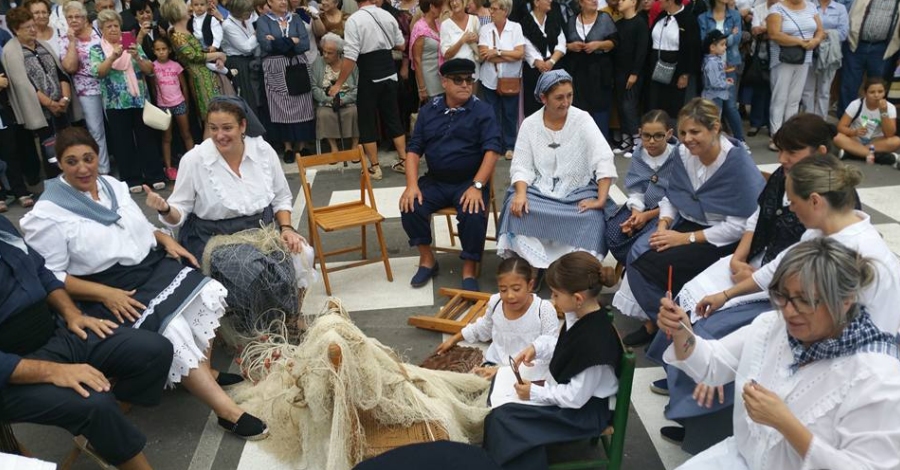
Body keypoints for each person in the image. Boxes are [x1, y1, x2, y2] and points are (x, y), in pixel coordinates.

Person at [20, 127, 270, 441]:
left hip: (148, 267)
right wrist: (105, 293)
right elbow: (51, 275)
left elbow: (140, 226)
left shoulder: (111, 185)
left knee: (208, 292)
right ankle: (227, 413)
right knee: (172, 329)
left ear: (98, 157)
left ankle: (204, 372)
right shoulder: (48, 212)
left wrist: (165, 238)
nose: (82, 168)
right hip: (106, 288)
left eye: (88, 158)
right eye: (72, 162)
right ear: (60, 165)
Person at [648, 114, 849, 453]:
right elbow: (757, 219)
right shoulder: (785, 179)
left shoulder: (831, 211)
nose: (783, 160)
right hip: (756, 262)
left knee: (713, 327)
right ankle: (679, 375)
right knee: (687, 299)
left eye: (792, 152)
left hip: (784, 289)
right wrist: (739, 259)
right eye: (782, 151)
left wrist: (731, 291)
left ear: (821, 152)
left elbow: (794, 264)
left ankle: (700, 423)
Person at [658, 238, 900, 470]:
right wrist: (681, 331)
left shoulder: (877, 377)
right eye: (782, 296)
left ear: (845, 301)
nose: (789, 311)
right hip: (737, 459)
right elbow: (711, 365)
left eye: (804, 300)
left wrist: (786, 424)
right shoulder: (772, 326)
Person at [0, 214, 173, 470]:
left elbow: (41, 272)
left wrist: (72, 314)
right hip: (11, 370)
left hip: (54, 332)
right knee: (95, 405)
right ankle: (111, 435)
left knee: (154, 350)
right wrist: (54, 371)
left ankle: (105, 434)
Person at [143, 99, 312, 338]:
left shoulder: (263, 152)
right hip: (213, 238)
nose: (219, 135)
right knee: (250, 267)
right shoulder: (195, 159)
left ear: (243, 126)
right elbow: (178, 213)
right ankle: (260, 326)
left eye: (227, 128)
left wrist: (286, 228)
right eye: (213, 128)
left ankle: (289, 317)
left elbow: (281, 197)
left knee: (301, 252)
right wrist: (164, 208)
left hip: (260, 232)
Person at [612, 98, 764, 347]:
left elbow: (740, 225)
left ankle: (672, 329)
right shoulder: (683, 153)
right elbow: (673, 196)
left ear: (715, 128)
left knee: (646, 265)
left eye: (695, 131)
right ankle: (660, 323)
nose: (687, 138)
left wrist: (683, 239)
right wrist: (663, 225)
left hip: (722, 237)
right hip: (686, 223)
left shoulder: (737, 164)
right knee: (637, 252)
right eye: (683, 132)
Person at [482, 251, 621, 470]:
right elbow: (564, 344)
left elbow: (575, 398)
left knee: (504, 419)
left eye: (555, 294)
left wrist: (534, 393)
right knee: (500, 412)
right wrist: (536, 348)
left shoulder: (594, 342)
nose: (552, 299)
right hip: (574, 398)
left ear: (577, 298)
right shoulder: (582, 315)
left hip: (585, 412)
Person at [496, 70, 618, 275]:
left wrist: (601, 200)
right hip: (540, 189)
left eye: (569, 95)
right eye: (559, 97)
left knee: (594, 220)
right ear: (543, 98)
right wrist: (521, 194)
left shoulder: (582, 119)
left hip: (577, 189)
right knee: (515, 211)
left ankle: (569, 271)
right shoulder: (530, 124)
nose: (566, 102)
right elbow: (521, 165)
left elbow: (603, 158)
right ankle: (535, 265)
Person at [399, 58, 501, 292]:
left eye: (469, 80)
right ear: (444, 82)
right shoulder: (428, 111)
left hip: (469, 181)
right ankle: (427, 259)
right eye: (458, 80)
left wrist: (477, 185)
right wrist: (412, 185)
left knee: (473, 212)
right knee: (410, 204)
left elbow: (492, 150)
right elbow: (414, 150)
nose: (465, 85)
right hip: (436, 180)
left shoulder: (482, 111)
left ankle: (469, 269)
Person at [434, 256, 558, 378]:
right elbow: (483, 327)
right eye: (503, 290)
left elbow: (550, 348)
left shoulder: (543, 310)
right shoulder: (496, 302)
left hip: (528, 371)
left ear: (530, 285)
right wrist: (454, 339)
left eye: (516, 289)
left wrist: (502, 372)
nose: (510, 295)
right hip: (494, 362)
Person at [328, 0, 407, 180]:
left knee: (367, 121)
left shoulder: (355, 20)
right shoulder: (387, 15)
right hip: (389, 73)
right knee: (393, 117)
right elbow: (401, 44)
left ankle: (375, 167)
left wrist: (339, 83)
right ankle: (404, 160)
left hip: (369, 75)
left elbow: (350, 56)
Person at [89, 9, 165, 193]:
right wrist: (114, 56)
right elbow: (98, 72)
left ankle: (154, 175)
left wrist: (137, 56)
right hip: (116, 103)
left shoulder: (132, 45)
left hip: (139, 99)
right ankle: (131, 179)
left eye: (116, 25)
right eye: (109, 26)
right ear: (102, 29)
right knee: (123, 141)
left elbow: (149, 70)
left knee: (146, 138)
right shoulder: (97, 49)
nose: (114, 29)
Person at [3, 6, 78, 181]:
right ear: (15, 30)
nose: (32, 29)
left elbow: (60, 73)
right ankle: (56, 185)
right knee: (50, 150)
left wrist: (65, 99)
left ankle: (74, 180)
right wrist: (50, 104)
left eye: (33, 25)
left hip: (61, 106)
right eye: (27, 27)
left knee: (69, 145)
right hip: (42, 110)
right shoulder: (11, 51)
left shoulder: (42, 45)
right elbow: (23, 84)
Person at [605, 109, 677, 266]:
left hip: (668, 213)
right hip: (643, 207)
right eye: (646, 135)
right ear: (639, 133)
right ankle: (629, 266)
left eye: (658, 135)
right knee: (614, 231)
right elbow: (636, 190)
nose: (651, 141)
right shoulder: (639, 154)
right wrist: (636, 214)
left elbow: (677, 200)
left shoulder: (678, 157)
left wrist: (646, 216)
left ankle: (638, 269)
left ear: (669, 134)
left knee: (648, 241)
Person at [59, 0, 109, 174]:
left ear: (85, 17)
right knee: (96, 130)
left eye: (77, 16)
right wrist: (73, 42)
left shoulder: (97, 31)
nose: (74, 20)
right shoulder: (65, 40)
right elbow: (70, 67)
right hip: (86, 89)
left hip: (109, 84)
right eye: (70, 17)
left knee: (115, 126)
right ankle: (103, 169)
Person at [766, 0, 822, 149]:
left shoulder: (810, 6)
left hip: (804, 58)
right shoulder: (776, 8)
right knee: (780, 98)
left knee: (794, 100)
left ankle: (790, 136)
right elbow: (774, 34)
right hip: (782, 58)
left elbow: (820, 30)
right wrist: (800, 42)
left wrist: (815, 40)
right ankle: (776, 136)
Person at [162, 0, 224, 122]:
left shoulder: (184, 30)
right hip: (199, 77)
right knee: (211, 118)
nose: (190, 8)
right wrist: (218, 54)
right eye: (186, 7)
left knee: (215, 115)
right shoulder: (176, 34)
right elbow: (194, 56)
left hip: (205, 74)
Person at [477, 0, 524, 161]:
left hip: (510, 78)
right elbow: (483, 54)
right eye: (491, 8)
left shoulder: (515, 27)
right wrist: (507, 55)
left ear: (505, 11)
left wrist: (496, 52)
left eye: (495, 9)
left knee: (510, 114)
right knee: (492, 114)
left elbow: (520, 54)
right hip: (489, 78)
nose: (491, 12)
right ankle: (494, 146)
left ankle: (510, 146)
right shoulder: (485, 29)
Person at [563, 0, 617, 138]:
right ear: (581, 3)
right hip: (577, 70)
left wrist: (598, 45)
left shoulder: (604, 18)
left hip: (599, 70)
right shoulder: (571, 20)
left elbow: (615, 42)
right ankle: (580, 143)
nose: (594, 1)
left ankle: (600, 143)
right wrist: (571, 47)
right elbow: (563, 44)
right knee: (579, 108)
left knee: (600, 107)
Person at [838, 0, 900, 114]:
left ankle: (873, 121)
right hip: (856, 45)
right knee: (849, 85)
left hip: (882, 49)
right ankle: (845, 120)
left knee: (877, 88)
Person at [646, 0, 701, 120]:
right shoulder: (662, 16)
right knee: (654, 103)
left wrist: (685, 74)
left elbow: (692, 49)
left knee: (672, 106)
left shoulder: (688, 19)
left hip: (676, 69)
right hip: (655, 67)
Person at [151, 35, 195, 181]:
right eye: (158, 49)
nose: (161, 52)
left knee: (186, 134)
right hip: (163, 106)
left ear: (169, 50)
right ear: (154, 51)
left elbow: (184, 86)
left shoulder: (176, 66)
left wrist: (186, 103)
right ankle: (169, 167)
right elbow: (153, 88)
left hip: (179, 103)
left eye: (164, 49)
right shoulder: (153, 66)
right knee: (166, 137)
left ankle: (194, 163)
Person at [833, 77, 900, 167]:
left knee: (896, 141)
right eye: (872, 92)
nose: (876, 95)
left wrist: (884, 112)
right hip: (855, 139)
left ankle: (852, 153)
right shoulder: (856, 104)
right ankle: (878, 157)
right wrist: (854, 132)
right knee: (837, 137)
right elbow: (841, 127)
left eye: (880, 92)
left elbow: (889, 134)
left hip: (875, 141)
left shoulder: (890, 107)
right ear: (865, 93)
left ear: (885, 92)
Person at [517, 0, 566, 118]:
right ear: (537, 3)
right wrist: (538, 62)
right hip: (534, 70)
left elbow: (561, 43)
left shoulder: (554, 19)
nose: (550, 1)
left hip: (554, 67)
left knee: (555, 105)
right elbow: (526, 45)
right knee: (534, 109)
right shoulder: (524, 22)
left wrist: (551, 61)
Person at [312, 32, 359, 154]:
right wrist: (329, 100)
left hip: (348, 100)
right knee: (323, 114)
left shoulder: (349, 64)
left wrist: (344, 100)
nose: (325, 55)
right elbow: (314, 87)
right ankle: (334, 148)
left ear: (338, 53)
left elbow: (358, 87)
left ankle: (354, 146)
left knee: (354, 112)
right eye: (324, 51)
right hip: (327, 101)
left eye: (330, 53)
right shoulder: (317, 63)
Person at [612, 0, 648, 155]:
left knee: (629, 106)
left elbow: (642, 50)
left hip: (633, 73)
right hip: (618, 72)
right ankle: (626, 139)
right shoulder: (618, 24)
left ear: (633, 2)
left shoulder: (640, 23)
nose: (619, 2)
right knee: (621, 105)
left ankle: (637, 141)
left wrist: (635, 73)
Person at [799, 0, 845, 118]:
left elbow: (844, 33)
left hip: (829, 55)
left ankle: (820, 120)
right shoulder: (808, 5)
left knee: (824, 91)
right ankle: (808, 119)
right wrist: (818, 37)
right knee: (807, 89)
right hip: (810, 51)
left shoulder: (840, 8)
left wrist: (823, 35)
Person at [701, 30, 745, 145]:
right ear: (712, 47)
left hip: (714, 95)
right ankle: (711, 143)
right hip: (714, 96)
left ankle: (712, 142)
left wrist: (724, 80)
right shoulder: (712, 63)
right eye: (722, 44)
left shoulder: (712, 60)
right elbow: (715, 83)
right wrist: (727, 84)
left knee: (714, 120)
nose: (725, 47)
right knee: (713, 121)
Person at [222, 0, 261, 112]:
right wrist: (257, 33)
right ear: (238, 12)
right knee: (248, 96)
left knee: (256, 96)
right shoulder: (227, 25)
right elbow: (246, 47)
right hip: (238, 63)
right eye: (247, 12)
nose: (250, 13)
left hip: (251, 59)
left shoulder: (248, 19)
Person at [411, 0, 446, 102]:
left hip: (441, 75)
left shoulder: (438, 24)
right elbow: (417, 59)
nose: (441, 10)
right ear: (432, 7)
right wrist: (422, 88)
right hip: (428, 77)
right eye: (439, 7)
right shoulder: (420, 28)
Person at [441, 0, 480, 81]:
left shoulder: (474, 20)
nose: (454, 3)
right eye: (451, 1)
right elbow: (446, 54)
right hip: (454, 73)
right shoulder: (445, 25)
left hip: (473, 71)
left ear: (463, 2)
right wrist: (462, 41)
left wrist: (477, 38)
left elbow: (483, 44)